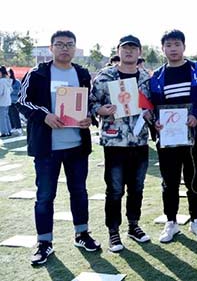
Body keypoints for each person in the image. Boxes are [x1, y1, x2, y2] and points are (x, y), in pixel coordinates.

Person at [17, 30, 100, 265]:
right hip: (47, 148)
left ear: (75, 48)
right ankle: (44, 242)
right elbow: (21, 102)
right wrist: (44, 116)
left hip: (76, 146)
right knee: (45, 196)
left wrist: (89, 118)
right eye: (60, 44)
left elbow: (88, 103)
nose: (65, 48)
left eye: (69, 44)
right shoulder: (37, 73)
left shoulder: (82, 73)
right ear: (51, 48)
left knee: (79, 192)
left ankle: (82, 234)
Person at [149, 30, 197, 242]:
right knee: (169, 181)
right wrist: (155, 121)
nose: (173, 49)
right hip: (167, 139)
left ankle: (196, 220)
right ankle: (171, 222)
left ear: (184, 46)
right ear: (163, 49)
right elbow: (153, 106)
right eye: (168, 45)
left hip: (193, 136)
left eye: (177, 44)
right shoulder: (157, 75)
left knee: (195, 178)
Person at [90, 35, 153, 252]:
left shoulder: (145, 78)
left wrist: (150, 115)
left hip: (139, 141)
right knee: (115, 189)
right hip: (114, 141)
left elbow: (152, 106)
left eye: (133, 48)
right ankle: (113, 231)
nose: (129, 51)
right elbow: (91, 102)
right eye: (125, 48)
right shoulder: (105, 76)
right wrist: (100, 110)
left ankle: (133, 225)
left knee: (137, 187)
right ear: (118, 50)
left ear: (139, 52)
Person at [8, 68, 23, 135]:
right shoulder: (7, 81)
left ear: (11, 73)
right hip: (8, 101)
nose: (8, 74)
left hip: (15, 101)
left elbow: (19, 91)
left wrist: (10, 91)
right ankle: (13, 127)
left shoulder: (17, 82)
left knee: (15, 115)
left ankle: (19, 128)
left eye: (9, 73)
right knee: (10, 115)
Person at [0, 66, 12, 137]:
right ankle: (9, 130)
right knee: (6, 117)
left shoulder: (1, 81)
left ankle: (4, 132)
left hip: (2, 102)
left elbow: (0, 92)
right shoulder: (8, 80)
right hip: (7, 101)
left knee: (2, 117)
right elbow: (11, 90)